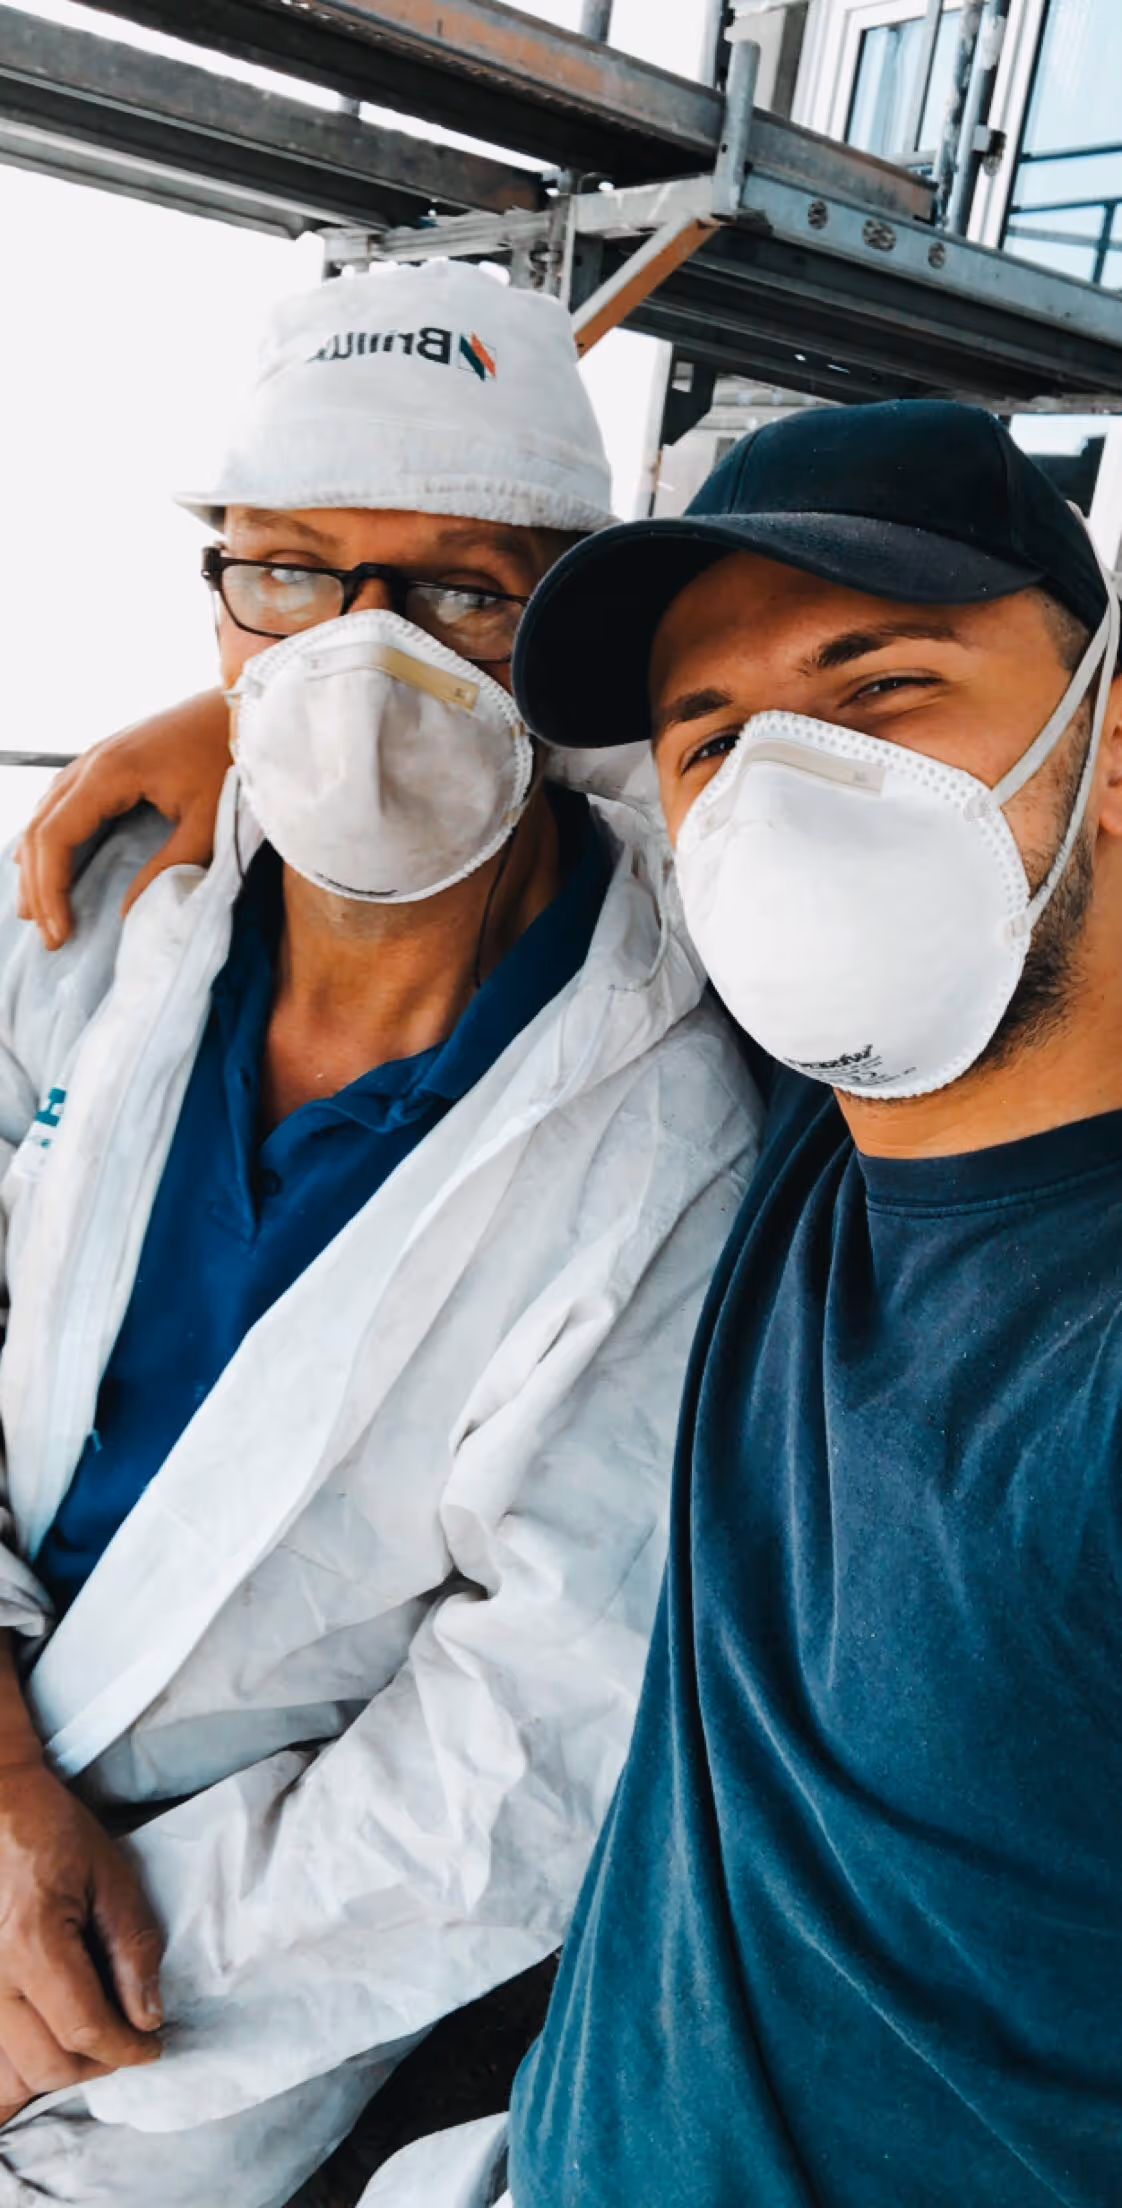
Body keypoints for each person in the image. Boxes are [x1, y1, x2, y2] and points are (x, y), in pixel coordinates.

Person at [0, 258, 758, 2206]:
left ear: (561, 630)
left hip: (190, 2013)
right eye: (286, 571)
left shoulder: (677, 1109)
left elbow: (534, 1726)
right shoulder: (95, 916)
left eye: (456, 591)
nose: (357, 660)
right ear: (221, 594)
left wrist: (70, 1991)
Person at [346, 396, 1122, 2208]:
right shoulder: (816, 1134)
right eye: (712, 740)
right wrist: (242, 730)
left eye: (882, 691)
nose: (788, 799)